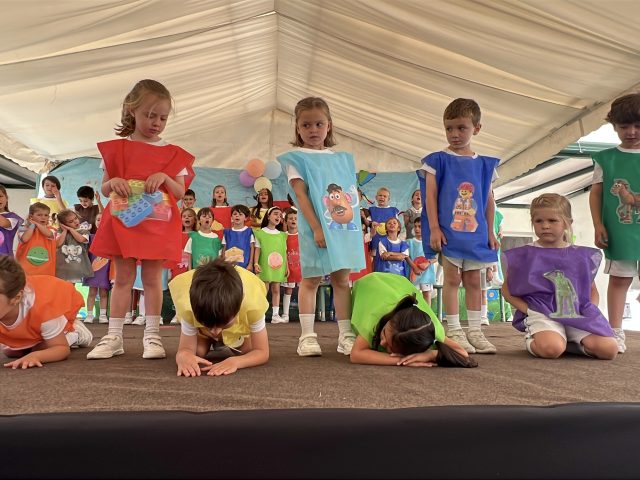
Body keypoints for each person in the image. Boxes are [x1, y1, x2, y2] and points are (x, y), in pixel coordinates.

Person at [87, 79, 195, 360]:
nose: (156, 123)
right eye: (150, 115)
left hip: (157, 226)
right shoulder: (116, 150)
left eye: (162, 118)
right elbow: (105, 187)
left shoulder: (174, 154)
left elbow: (180, 192)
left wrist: (165, 177)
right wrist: (114, 182)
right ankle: (113, 336)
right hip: (123, 222)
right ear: (131, 110)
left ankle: (153, 336)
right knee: (122, 278)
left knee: (151, 279)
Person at [277, 97, 364, 356]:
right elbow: (301, 196)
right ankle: (307, 336)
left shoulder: (343, 159)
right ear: (297, 128)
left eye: (319, 124)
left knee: (342, 280)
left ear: (329, 125)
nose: (313, 130)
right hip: (313, 228)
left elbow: (349, 194)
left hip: (342, 229)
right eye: (306, 125)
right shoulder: (296, 159)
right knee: (311, 279)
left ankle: (346, 335)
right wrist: (316, 228)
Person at [418, 98, 500, 354]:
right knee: (452, 278)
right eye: (449, 128)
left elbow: (488, 200)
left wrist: (491, 231)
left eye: (461, 128)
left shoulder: (485, 164)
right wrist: (434, 228)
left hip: (476, 234)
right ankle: (454, 330)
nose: (454, 134)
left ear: (477, 128)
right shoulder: (436, 160)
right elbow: (430, 196)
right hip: (449, 232)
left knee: (474, 280)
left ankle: (475, 330)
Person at [502, 193, 618, 360]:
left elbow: (591, 290)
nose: (545, 226)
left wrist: (590, 310)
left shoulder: (580, 256)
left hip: (576, 313)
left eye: (552, 220)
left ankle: (568, 343)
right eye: (539, 221)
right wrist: (529, 310)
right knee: (551, 349)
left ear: (567, 223)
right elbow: (506, 290)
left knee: (609, 350)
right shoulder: (524, 256)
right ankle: (540, 340)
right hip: (541, 312)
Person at [589, 93, 640, 354]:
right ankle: (616, 331)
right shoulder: (605, 158)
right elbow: (596, 193)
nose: (631, 132)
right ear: (614, 126)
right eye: (624, 126)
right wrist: (598, 224)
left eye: (638, 126)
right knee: (620, 280)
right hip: (619, 230)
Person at [349, 272, 476, 367]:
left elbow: (462, 354)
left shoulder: (430, 331)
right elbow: (356, 354)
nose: (382, 343)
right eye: (384, 334)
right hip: (370, 284)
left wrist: (430, 355)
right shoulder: (375, 319)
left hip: (398, 285)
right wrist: (403, 361)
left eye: (390, 346)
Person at [169, 258, 269, 377]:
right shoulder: (189, 303)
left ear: (240, 302)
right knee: (198, 352)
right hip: (203, 332)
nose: (215, 332)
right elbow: (185, 349)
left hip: (237, 330)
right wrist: (183, 355)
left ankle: (226, 338)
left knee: (246, 351)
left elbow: (262, 352)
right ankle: (209, 337)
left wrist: (235, 362)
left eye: (224, 324)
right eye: (207, 324)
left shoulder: (253, 302)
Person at [0, 256, 93, 369]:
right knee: (11, 352)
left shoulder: (43, 308)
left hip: (56, 301)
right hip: (27, 325)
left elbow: (61, 348)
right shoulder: (5, 305)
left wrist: (36, 356)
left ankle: (75, 332)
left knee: (42, 348)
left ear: (16, 298)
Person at [253, 206, 287, 323]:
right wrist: (256, 263)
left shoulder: (282, 235)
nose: (278, 216)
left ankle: (275, 315)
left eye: (280, 215)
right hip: (264, 265)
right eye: (275, 214)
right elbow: (257, 249)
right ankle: (261, 315)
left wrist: (286, 267)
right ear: (268, 216)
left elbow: (284, 252)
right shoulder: (260, 233)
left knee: (276, 289)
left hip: (278, 266)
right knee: (264, 289)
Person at [82, 212, 112, 324]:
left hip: (106, 269)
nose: (100, 221)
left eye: (103, 219)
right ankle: (90, 314)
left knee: (104, 292)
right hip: (93, 268)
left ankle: (103, 315)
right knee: (92, 291)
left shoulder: (111, 238)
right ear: (94, 222)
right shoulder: (90, 237)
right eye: (98, 219)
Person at [15, 202, 57, 276]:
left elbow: (49, 234)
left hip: (45, 268)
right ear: (31, 216)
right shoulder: (23, 228)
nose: (43, 217)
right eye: (39, 215)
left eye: (46, 215)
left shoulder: (52, 229)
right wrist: (32, 225)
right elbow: (25, 239)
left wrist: (37, 224)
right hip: (25, 266)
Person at [55, 209, 93, 284]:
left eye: (75, 218)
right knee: (62, 284)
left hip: (76, 264)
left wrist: (70, 229)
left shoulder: (84, 231)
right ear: (64, 224)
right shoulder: (61, 233)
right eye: (71, 221)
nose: (75, 221)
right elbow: (58, 244)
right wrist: (65, 230)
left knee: (71, 284)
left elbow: (81, 239)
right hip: (63, 264)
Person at [277, 207, 301, 323]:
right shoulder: (283, 236)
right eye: (290, 218)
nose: (293, 220)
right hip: (288, 267)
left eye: (295, 218)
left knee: (303, 290)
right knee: (288, 290)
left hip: (301, 267)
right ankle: (285, 314)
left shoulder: (303, 235)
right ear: (285, 221)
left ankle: (304, 314)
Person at [408, 217, 438, 304]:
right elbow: (406, 256)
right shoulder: (409, 242)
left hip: (427, 273)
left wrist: (428, 263)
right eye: (415, 226)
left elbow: (436, 256)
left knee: (427, 295)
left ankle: (427, 312)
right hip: (414, 273)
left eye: (420, 226)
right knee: (413, 295)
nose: (417, 229)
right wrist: (414, 267)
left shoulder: (430, 242)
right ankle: (414, 312)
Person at [221, 204, 255, 271]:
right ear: (231, 217)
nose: (237, 216)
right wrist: (223, 263)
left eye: (240, 214)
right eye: (235, 214)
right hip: (229, 267)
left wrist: (250, 264)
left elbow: (252, 248)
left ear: (245, 218)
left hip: (245, 266)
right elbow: (224, 249)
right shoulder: (227, 232)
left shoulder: (249, 231)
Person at [0, 185, 24, 257]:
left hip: (4, 258)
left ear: (6, 198)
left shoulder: (12, 217)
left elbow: (3, 223)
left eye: (0, 196)